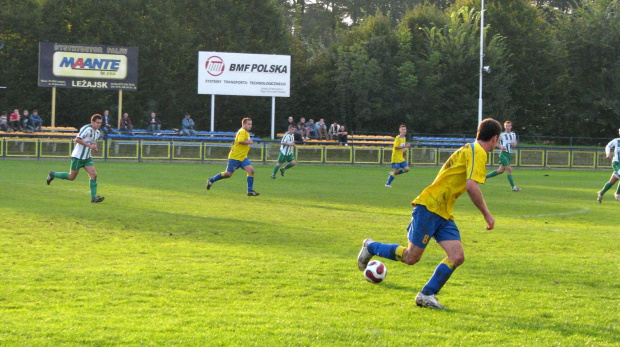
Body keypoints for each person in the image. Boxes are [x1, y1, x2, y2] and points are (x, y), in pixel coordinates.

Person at [357, 118, 502, 309]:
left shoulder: (470, 149)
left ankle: (426, 295)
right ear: (495, 138)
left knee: (457, 256)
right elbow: (471, 186)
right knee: (411, 257)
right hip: (430, 206)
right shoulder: (479, 152)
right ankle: (371, 246)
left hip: (443, 210)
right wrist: (487, 215)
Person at [46, 114, 105, 203]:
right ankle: (52, 174)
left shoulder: (97, 132)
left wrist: (95, 148)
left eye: (100, 123)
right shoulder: (86, 129)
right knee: (71, 177)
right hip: (78, 157)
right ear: (92, 122)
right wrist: (89, 145)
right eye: (97, 123)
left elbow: (93, 142)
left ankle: (93, 198)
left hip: (87, 157)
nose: (99, 124)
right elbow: (77, 139)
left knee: (94, 175)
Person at [206, 117, 259, 196]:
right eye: (248, 124)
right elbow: (240, 141)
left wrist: (248, 145)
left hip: (243, 157)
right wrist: (249, 142)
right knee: (228, 174)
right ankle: (211, 180)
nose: (250, 126)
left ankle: (250, 191)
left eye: (251, 124)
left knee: (251, 171)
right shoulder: (242, 131)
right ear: (244, 124)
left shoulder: (246, 133)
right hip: (235, 157)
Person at [486, 120, 520, 191]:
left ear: (511, 126)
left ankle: (485, 177)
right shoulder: (502, 135)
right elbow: (495, 141)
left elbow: (514, 143)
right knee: (509, 169)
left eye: (509, 126)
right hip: (503, 154)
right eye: (506, 126)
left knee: (500, 171)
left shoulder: (513, 134)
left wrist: (514, 144)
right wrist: (501, 147)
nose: (508, 127)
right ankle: (513, 187)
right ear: (505, 127)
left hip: (508, 154)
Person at [597, 128, 620, 203]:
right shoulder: (616, 141)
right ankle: (617, 194)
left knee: (613, 181)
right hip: (617, 163)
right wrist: (608, 153)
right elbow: (608, 146)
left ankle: (601, 193)